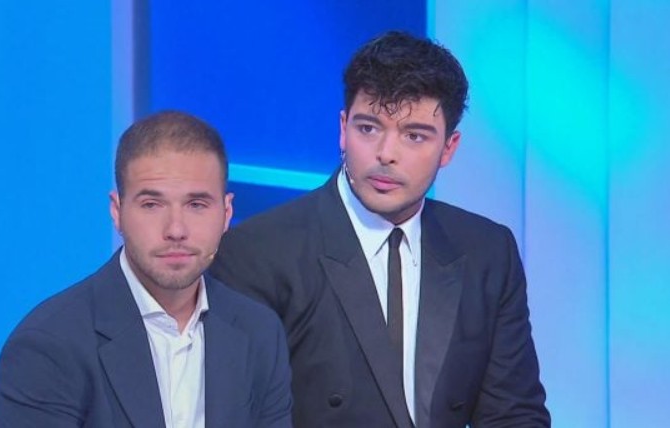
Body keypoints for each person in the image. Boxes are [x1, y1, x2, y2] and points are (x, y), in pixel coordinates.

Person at [210, 31, 550, 427]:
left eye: (414, 136)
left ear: (449, 148)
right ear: (343, 128)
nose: (386, 154)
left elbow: (513, 413)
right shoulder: (257, 253)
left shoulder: (486, 251)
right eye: (369, 129)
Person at [0, 111, 293, 427]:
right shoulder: (49, 345)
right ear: (117, 212)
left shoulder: (259, 332)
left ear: (227, 212)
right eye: (152, 205)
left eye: (196, 205)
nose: (176, 230)